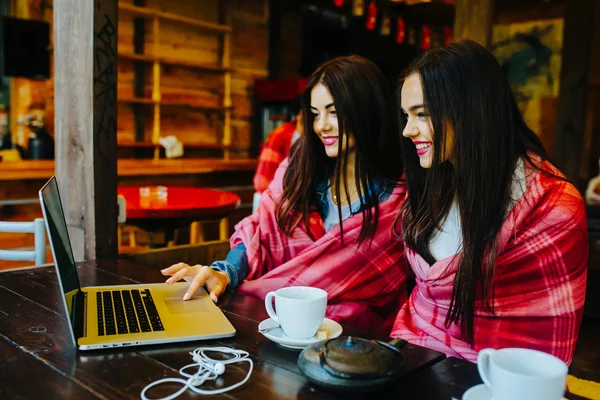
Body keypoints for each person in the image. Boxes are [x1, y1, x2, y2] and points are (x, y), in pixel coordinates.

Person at [162, 55, 408, 333]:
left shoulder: (397, 201)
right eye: (315, 114)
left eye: (334, 112)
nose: (321, 126)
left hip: (358, 343)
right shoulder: (300, 172)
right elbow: (260, 233)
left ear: (368, 110)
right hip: (280, 327)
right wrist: (224, 272)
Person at [390, 40, 588, 365]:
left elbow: (536, 354)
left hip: (500, 383)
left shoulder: (553, 207)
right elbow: (425, 300)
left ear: (470, 109)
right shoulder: (438, 180)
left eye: (422, 114)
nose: (408, 131)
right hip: (415, 358)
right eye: (406, 116)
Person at [253, 96, 303, 195]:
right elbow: (262, 182)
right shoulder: (278, 137)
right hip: (277, 198)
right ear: (299, 114)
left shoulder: (321, 138)